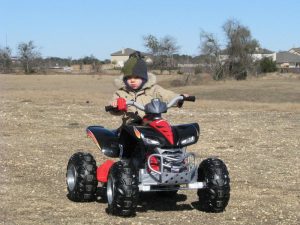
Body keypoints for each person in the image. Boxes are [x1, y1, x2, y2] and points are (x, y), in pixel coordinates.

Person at [110, 51, 187, 124]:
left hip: (152, 123)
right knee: (123, 135)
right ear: (125, 79)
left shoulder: (154, 89)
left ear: (144, 78)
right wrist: (115, 105)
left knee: (166, 131)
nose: (132, 80)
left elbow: (167, 95)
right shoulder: (121, 92)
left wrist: (179, 97)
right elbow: (113, 106)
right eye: (129, 78)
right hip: (130, 126)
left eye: (136, 77)